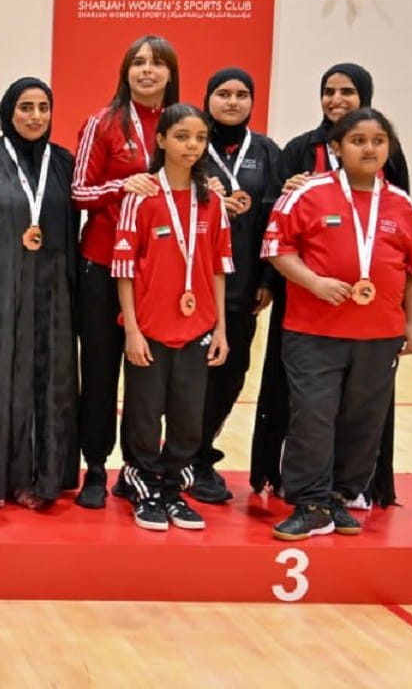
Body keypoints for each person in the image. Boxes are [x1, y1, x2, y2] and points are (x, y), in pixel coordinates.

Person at [262, 108, 412, 540]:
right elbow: (277, 248)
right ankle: (310, 500)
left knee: (363, 419)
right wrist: (314, 282)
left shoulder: (402, 203)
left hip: (379, 334)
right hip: (314, 332)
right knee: (313, 415)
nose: (369, 148)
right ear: (336, 147)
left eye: (378, 141)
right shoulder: (307, 193)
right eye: (357, 140)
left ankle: (339, 496)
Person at [252, 62, 406, 505]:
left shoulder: (389, 157)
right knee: (303, 397)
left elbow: (402, 225)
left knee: (366, 402)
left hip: (371, 309)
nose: (337, 100)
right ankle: (292, 480)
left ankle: (358, 485)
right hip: (304, 294)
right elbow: (273, 219)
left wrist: (407, 320)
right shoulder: (300, 148)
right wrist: (268, 280)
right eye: (329, 91)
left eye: (348, 92)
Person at [0, 76, 80, 508]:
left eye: (43, 107)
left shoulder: (64, 163)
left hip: (51, 294)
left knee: (47, 377)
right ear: (9, 111)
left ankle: (41, 476)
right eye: (26, 107)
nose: (35, 116)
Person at [70, 35, 179, 509]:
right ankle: (95, 465)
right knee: (99, 370)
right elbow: (78, 191)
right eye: (138, 63)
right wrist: (122, 185)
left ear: (171, 73)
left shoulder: (181, 124)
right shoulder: (104, 122)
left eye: (157, 64)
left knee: (150, 377)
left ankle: (139, 468)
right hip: (102, 265)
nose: (147, 71)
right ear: (125, 71)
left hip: (159, 272)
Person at [112, 104, 231, 532]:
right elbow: (124, 270)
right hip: (149, 328)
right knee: (144, 413)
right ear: (162, 140)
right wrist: (132, 330)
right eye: (182, 136)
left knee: (187, 414)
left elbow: (219, 266)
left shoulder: (213, 200)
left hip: (197, 328)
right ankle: (141, 481)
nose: (192, 146)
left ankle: (170, 489)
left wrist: (220, 326)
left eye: (200, 138)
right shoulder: (141, 197)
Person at [190, 68, 282, 503]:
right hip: (189, 287)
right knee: (188, 376)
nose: (232, 102)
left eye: (242, 94)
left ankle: (201, 454)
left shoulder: (267, 153)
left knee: (230, 376)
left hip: (243, 288)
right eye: (223, 93)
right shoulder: (190, 144)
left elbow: (275, 222)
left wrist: (267, 278)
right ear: (208, 98)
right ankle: (179, 457)